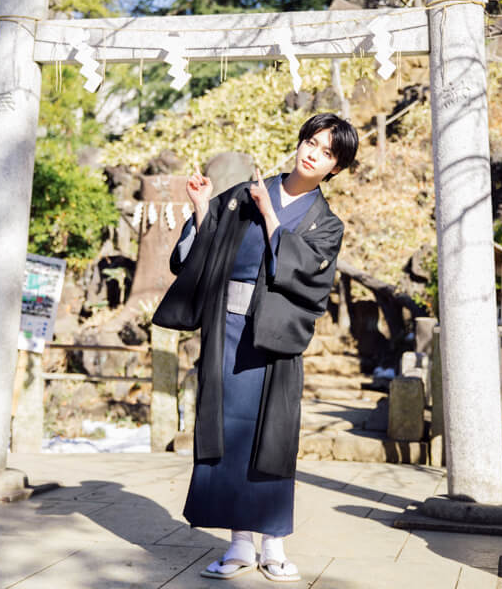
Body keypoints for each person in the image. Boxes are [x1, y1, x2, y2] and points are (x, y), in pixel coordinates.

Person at [152, 113, 358, 582]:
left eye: (326, 152)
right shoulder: (244, 194)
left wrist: (269, 216)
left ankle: (274, 546)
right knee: (224, 432)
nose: (312, 153)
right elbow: (205, 254)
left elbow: (310, 278)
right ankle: (239, 544)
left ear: (335, 168)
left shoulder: (326, 223)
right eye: (310, 141)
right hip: (227, 330)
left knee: (272, 438)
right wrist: (203, 206)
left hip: (275, 339)